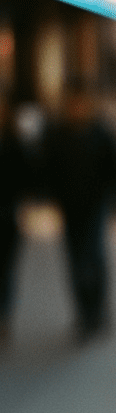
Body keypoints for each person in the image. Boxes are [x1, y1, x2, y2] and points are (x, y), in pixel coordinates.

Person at [44, 88, 116, 341]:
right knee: (74, 258)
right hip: (69, 207)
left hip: (96, 204)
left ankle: (98, 308)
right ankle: (83, 312)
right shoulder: (58, 133)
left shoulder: (101, 133)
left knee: (93, 256)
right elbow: (48, 168)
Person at [0, 96, 28, 345]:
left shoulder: (14, 142)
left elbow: (27, 176)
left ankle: (3, 317)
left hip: (7, 215)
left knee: (5, 269)